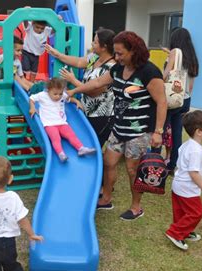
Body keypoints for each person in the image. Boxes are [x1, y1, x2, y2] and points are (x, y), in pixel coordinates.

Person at [68, 31, 167, 219]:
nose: (117, 57)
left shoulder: (150, 72)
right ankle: (106, 199)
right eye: (115, 53)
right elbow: (97, 82)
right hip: (119, 126)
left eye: (121, 53)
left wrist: (158, 132)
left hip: (139, 131)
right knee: (108, 162)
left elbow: (162, 102)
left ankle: (136, 207)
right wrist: (74, 90)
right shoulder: (118, 69)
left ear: (134, 51)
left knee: (132, 169)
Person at [45, 28, 116, 146]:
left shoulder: (111, 68)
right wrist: (56, 54)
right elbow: (78, 62)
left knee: (94, 144)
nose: (92, 44)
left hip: (101, 115)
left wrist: (73, 80)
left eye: (95, 42)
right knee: (85, 142)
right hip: (86, 110)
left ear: (103, 47)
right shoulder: (94, 57)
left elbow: (94, 92)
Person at [165, 110, 202, 251]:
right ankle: (175, 233)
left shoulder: (188, 144)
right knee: (196, 213)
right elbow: (193, 173)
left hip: (178, 185)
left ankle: (184, 231)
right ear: (199, 132)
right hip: (187, 188)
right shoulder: (196, 151)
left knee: (181, 211)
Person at [156, 27, 199, 175]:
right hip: (185, 99)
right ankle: (173, 165)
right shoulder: (192, 57)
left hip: (171, 99)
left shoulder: (175, 53)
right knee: (177, 134)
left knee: (159, 131)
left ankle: (154, 162)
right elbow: (191, 84)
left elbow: (166, 74)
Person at [29, 77, 96, 162]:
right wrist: (32, 108)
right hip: (49, 124)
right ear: (48, 90)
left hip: (62, 123)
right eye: (55, 94)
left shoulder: (62, 96)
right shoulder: (42, 95)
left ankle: (81, 148)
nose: (58, 96)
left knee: (71, 135)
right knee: (56, 138)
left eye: (60, 94)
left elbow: (69, 99)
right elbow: (31, 98)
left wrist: (76, 101)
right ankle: (61, 154)